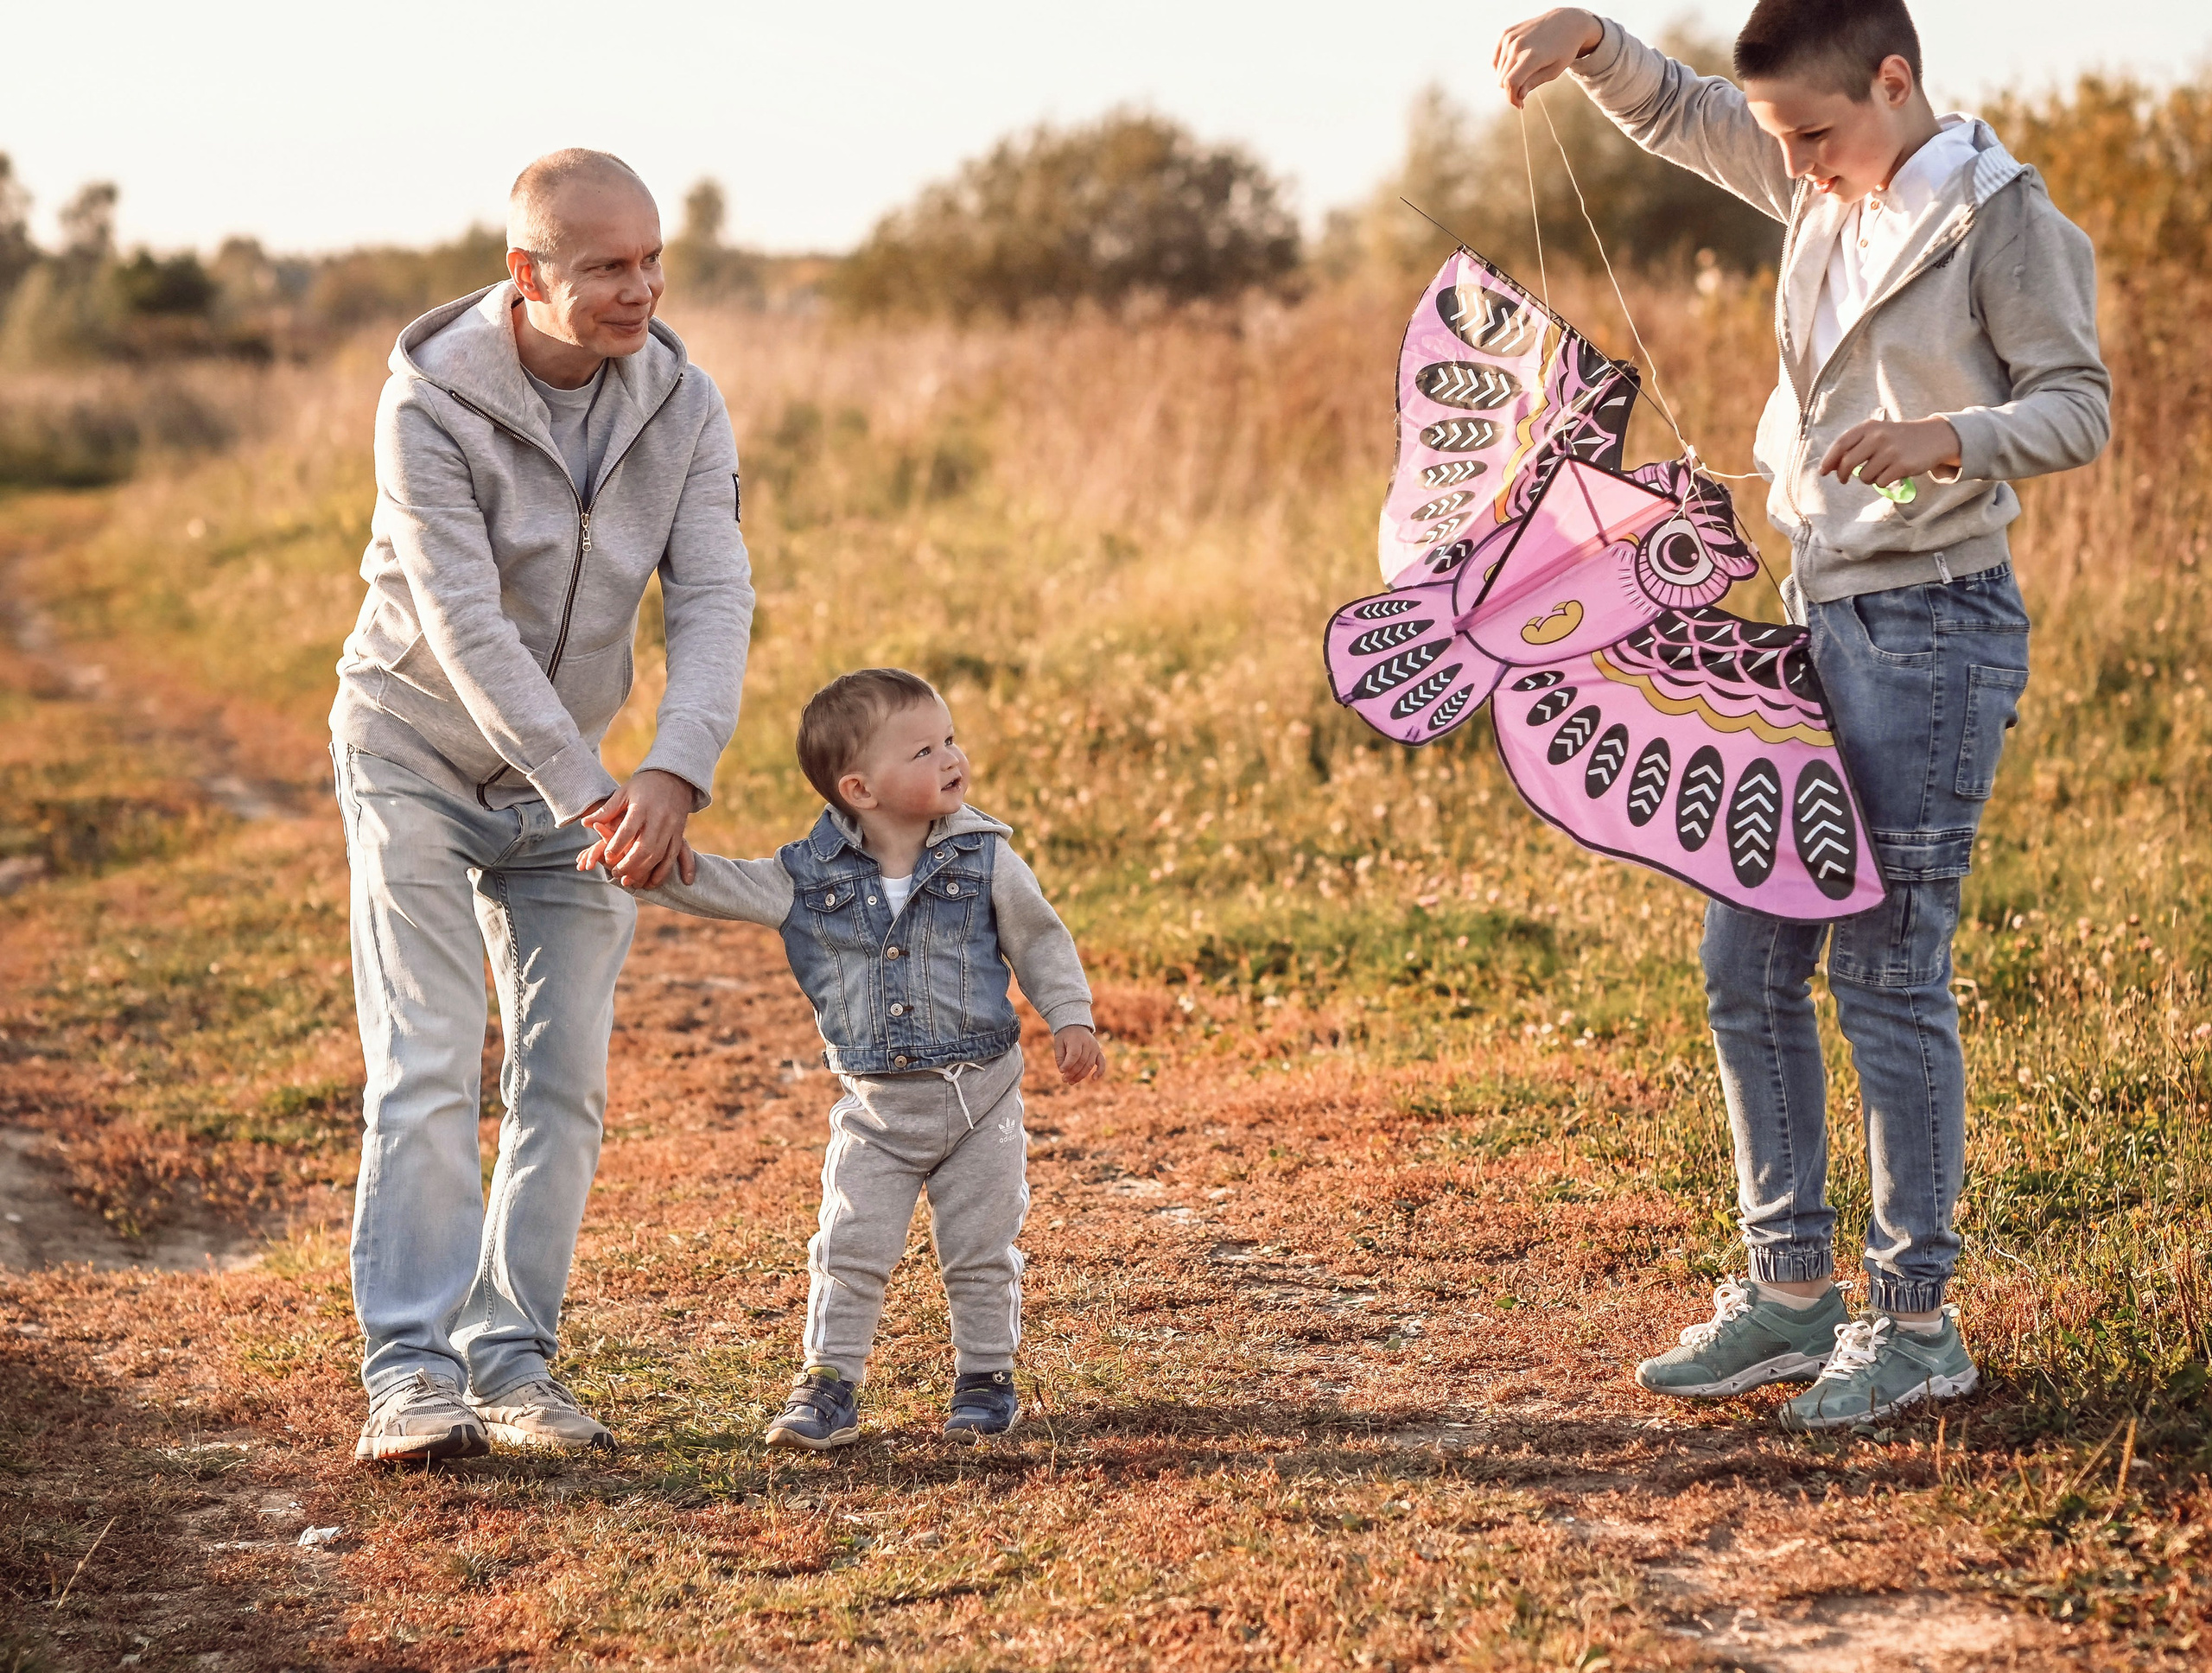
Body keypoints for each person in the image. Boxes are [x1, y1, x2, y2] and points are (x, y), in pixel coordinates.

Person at [1494, 2, 2109, 1428]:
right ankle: (1788, 1295)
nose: (1798, 165)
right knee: (1745, 962)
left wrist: (1948, 436)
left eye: (1817, 136)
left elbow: (2077, 405)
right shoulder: (1821, 179)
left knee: (1886, 975)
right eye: (1787, 145)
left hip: (1934, 631)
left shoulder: (2003, 221)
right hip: (1812, 629)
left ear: (1895, 83)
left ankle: (1915, 1323)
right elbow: (1689, 111)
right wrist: (1592, 43)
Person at [331, 149, 754, 1463]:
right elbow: (463, 628)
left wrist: (673, 772)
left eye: (652, 258)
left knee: (562, 1080)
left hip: (581, 779)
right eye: (607, 268)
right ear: (530, 275)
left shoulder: (682, 404)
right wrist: (599, 792)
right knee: (426, 1066)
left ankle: (511, 1364)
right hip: (414, 749)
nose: (643, 289)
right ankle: (410, 1372)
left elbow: (715, 596)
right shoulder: (426, 409)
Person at [586, 668, 1102, 1447]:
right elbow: (718, 884)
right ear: (859, 789)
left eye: (951, 739)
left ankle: (986, 1379)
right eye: (925, 750)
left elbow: (1039, 938)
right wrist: (647, 867)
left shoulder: (987, 859)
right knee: (850, 1246)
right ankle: (829, 1383)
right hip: (878, 1109)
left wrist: (1071, 1016)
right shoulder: (808, 876)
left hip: (980, 1099)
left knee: (981, 1245)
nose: (952, 758)